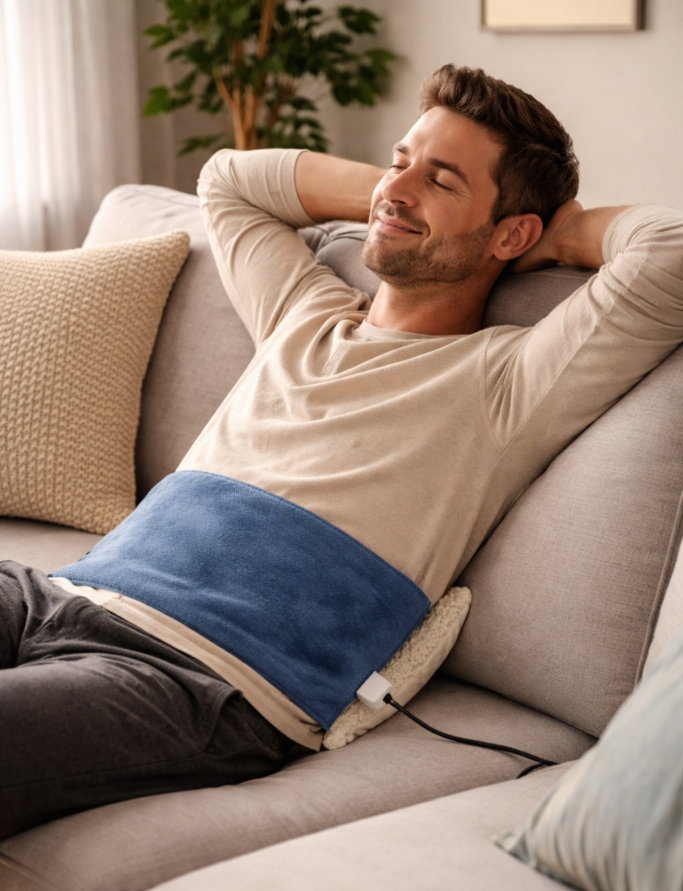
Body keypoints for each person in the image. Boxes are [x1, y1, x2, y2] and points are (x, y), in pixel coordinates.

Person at [2, 65, 683, 840]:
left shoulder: (508, 381)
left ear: (510, 233)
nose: (398, 190)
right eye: (401, 160)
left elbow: (671, 250)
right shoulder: (305, 311)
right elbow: (229, 180)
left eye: (442, 180)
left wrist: (556, 230)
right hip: (57, 596)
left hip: (194, 678)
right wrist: (397, 188)